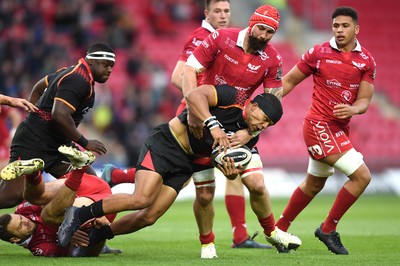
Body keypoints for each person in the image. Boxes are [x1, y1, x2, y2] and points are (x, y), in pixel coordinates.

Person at [57, 84, 302, 257]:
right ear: (254, 106)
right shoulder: (233, 96)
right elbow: (195, 95)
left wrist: (229, 173)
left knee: (149, 217)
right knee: (141, 199)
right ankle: (78, 215)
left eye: (269, 125)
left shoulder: (249, 137)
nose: (263, 125)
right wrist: (213, 124)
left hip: (188, 162)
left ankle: (99, 235)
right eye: (264, 119)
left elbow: (222, 160)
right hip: (167, 143)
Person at [101, 0, 270, 251]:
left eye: (227, 11)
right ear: (206, 13)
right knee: (180, 184)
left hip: (218, 115)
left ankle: (238, 236)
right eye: (217, 11)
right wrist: (199, 106)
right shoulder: (202, 37)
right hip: (199, 116)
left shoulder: (234, 41)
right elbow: (178, 75)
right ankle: (107, 203)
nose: (223, 16)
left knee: (221, 173)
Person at [180, 3, 285, 256]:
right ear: (251, 23)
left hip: (236, 124)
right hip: (201, 115)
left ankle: (266, 232)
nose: (263, 35)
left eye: (270, 32)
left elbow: (272, 103)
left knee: (253, 182)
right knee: (184, 185)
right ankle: (120, 177)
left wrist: (251, 132)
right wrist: (194, 112)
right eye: (261, 28)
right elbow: (187, 71)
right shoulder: (220, 38)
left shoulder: (272, 58)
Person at [275, 6, 376, 255]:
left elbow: (364, 101)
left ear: (356, 28)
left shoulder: (366, 60)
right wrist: (267, 105)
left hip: (339, 129)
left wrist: (353, 109)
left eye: (345, 26)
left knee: (313, 185)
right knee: (362, 177)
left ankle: (278, 230)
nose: (339, 30)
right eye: (335, 26)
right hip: (318, 125)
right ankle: (328, 229)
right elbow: (288, 81)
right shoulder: (318, 53)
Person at [0, 43, 116, 209]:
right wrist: (85, 142)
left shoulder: (71, 72)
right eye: (105, 65)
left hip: (57, 145)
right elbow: (59, 115)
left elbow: (39, 86)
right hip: (33, 142)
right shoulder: (78, 80)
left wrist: (33, 115)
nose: (109, 70)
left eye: (112, 66)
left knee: (93, 185)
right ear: (90, 62)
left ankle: (63, 228)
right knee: (11, 196)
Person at [0, 145, 118, 257]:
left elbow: (53, 202)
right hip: (100, 207)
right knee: (79, 251)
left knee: (43, 206)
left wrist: (69, 229)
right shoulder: (40, 247)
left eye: (21, 218)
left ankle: (33, 173)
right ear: (14, 239)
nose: (25, 220)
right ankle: (84, 168)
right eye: (20, 226)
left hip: (84, 185)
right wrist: (69, 236)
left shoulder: (22, 211)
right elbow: (74, 248)